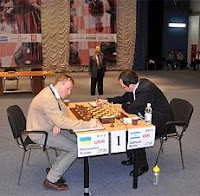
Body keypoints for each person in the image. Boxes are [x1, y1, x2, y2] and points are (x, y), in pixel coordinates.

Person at [96, 70, 174, 177]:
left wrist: (121, 106)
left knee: (136, 134)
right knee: (126, 129)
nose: (122, 88)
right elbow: (124, 98)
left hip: (160, 123)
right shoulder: (137, 85)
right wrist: (107, 101)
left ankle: (142, 166)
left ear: (131, 85)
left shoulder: (145, 90)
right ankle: (133, 157)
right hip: (147, 116)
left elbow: (132, 108)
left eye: (123, 87)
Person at [26, 74, 97, 191]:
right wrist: (88, 124)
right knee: (74, 149)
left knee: (75, 138)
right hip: (39, 133)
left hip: (46, 126)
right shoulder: (48, 98)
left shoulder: (52, 92)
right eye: (68, 88)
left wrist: (57, 123)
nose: (69, 92)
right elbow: (64, 121)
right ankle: (51, 179)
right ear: (60, 84)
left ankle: (55, 168)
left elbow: (64, 110)